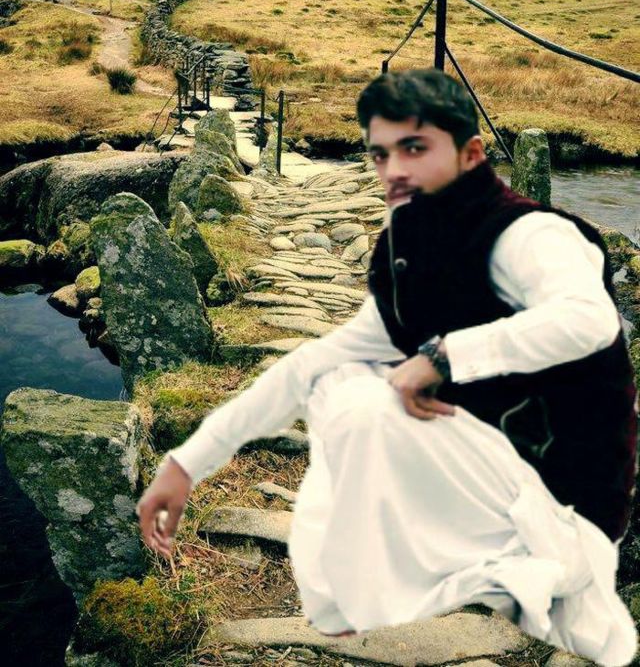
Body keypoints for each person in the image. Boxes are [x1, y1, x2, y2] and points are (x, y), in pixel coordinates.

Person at [137, 68, 638, 666]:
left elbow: (588, 318)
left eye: (415, 148)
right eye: (380, 154)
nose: (393, 170)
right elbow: (311, 363)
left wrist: (442, 357)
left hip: (568, 505)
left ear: (472, 154)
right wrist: (185, 464)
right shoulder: (420, 250)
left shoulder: (531, 236)